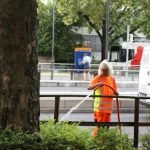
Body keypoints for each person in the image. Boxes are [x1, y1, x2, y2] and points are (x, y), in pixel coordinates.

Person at [88, 60, 118, 137]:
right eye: (103, 70)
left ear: (109, 70)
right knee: (100, 127)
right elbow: (89, 87)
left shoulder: (112, 79)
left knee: (106, 127)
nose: (104, 72)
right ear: (100, 70)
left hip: (108, 108)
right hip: (99, 108)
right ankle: (96, 142)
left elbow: (114, 90)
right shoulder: (97, 78)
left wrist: (116, 93)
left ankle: (104, 143)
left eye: (106, 70)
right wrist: (98, 84)